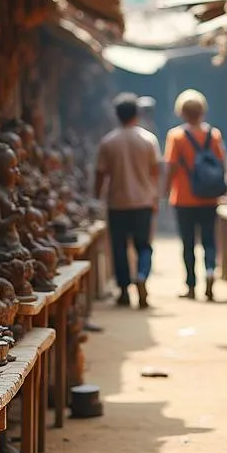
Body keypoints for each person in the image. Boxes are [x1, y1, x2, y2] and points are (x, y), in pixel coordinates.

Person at [95, 94, 160, 308]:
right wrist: (155, 198)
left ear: (117, 115)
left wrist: (96, 198)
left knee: (119, 247)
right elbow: (155, 172)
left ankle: (124, 291)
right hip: (143, 201)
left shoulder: (108, 141)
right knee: (144, 246)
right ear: (137, 114)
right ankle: (141, 274)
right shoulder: (148, 140)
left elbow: (101, 174)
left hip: (118, 202)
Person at [164, 90, 226, 300]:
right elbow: (221, 163)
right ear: (202, 111)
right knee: (209, 239)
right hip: (209, 198)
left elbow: (171, 167)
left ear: (182, 112)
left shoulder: (176, 136)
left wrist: (165, 191)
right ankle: (210, 271)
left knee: (188, 243)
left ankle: (190, 285)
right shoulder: (213, 135)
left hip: (183, 197)